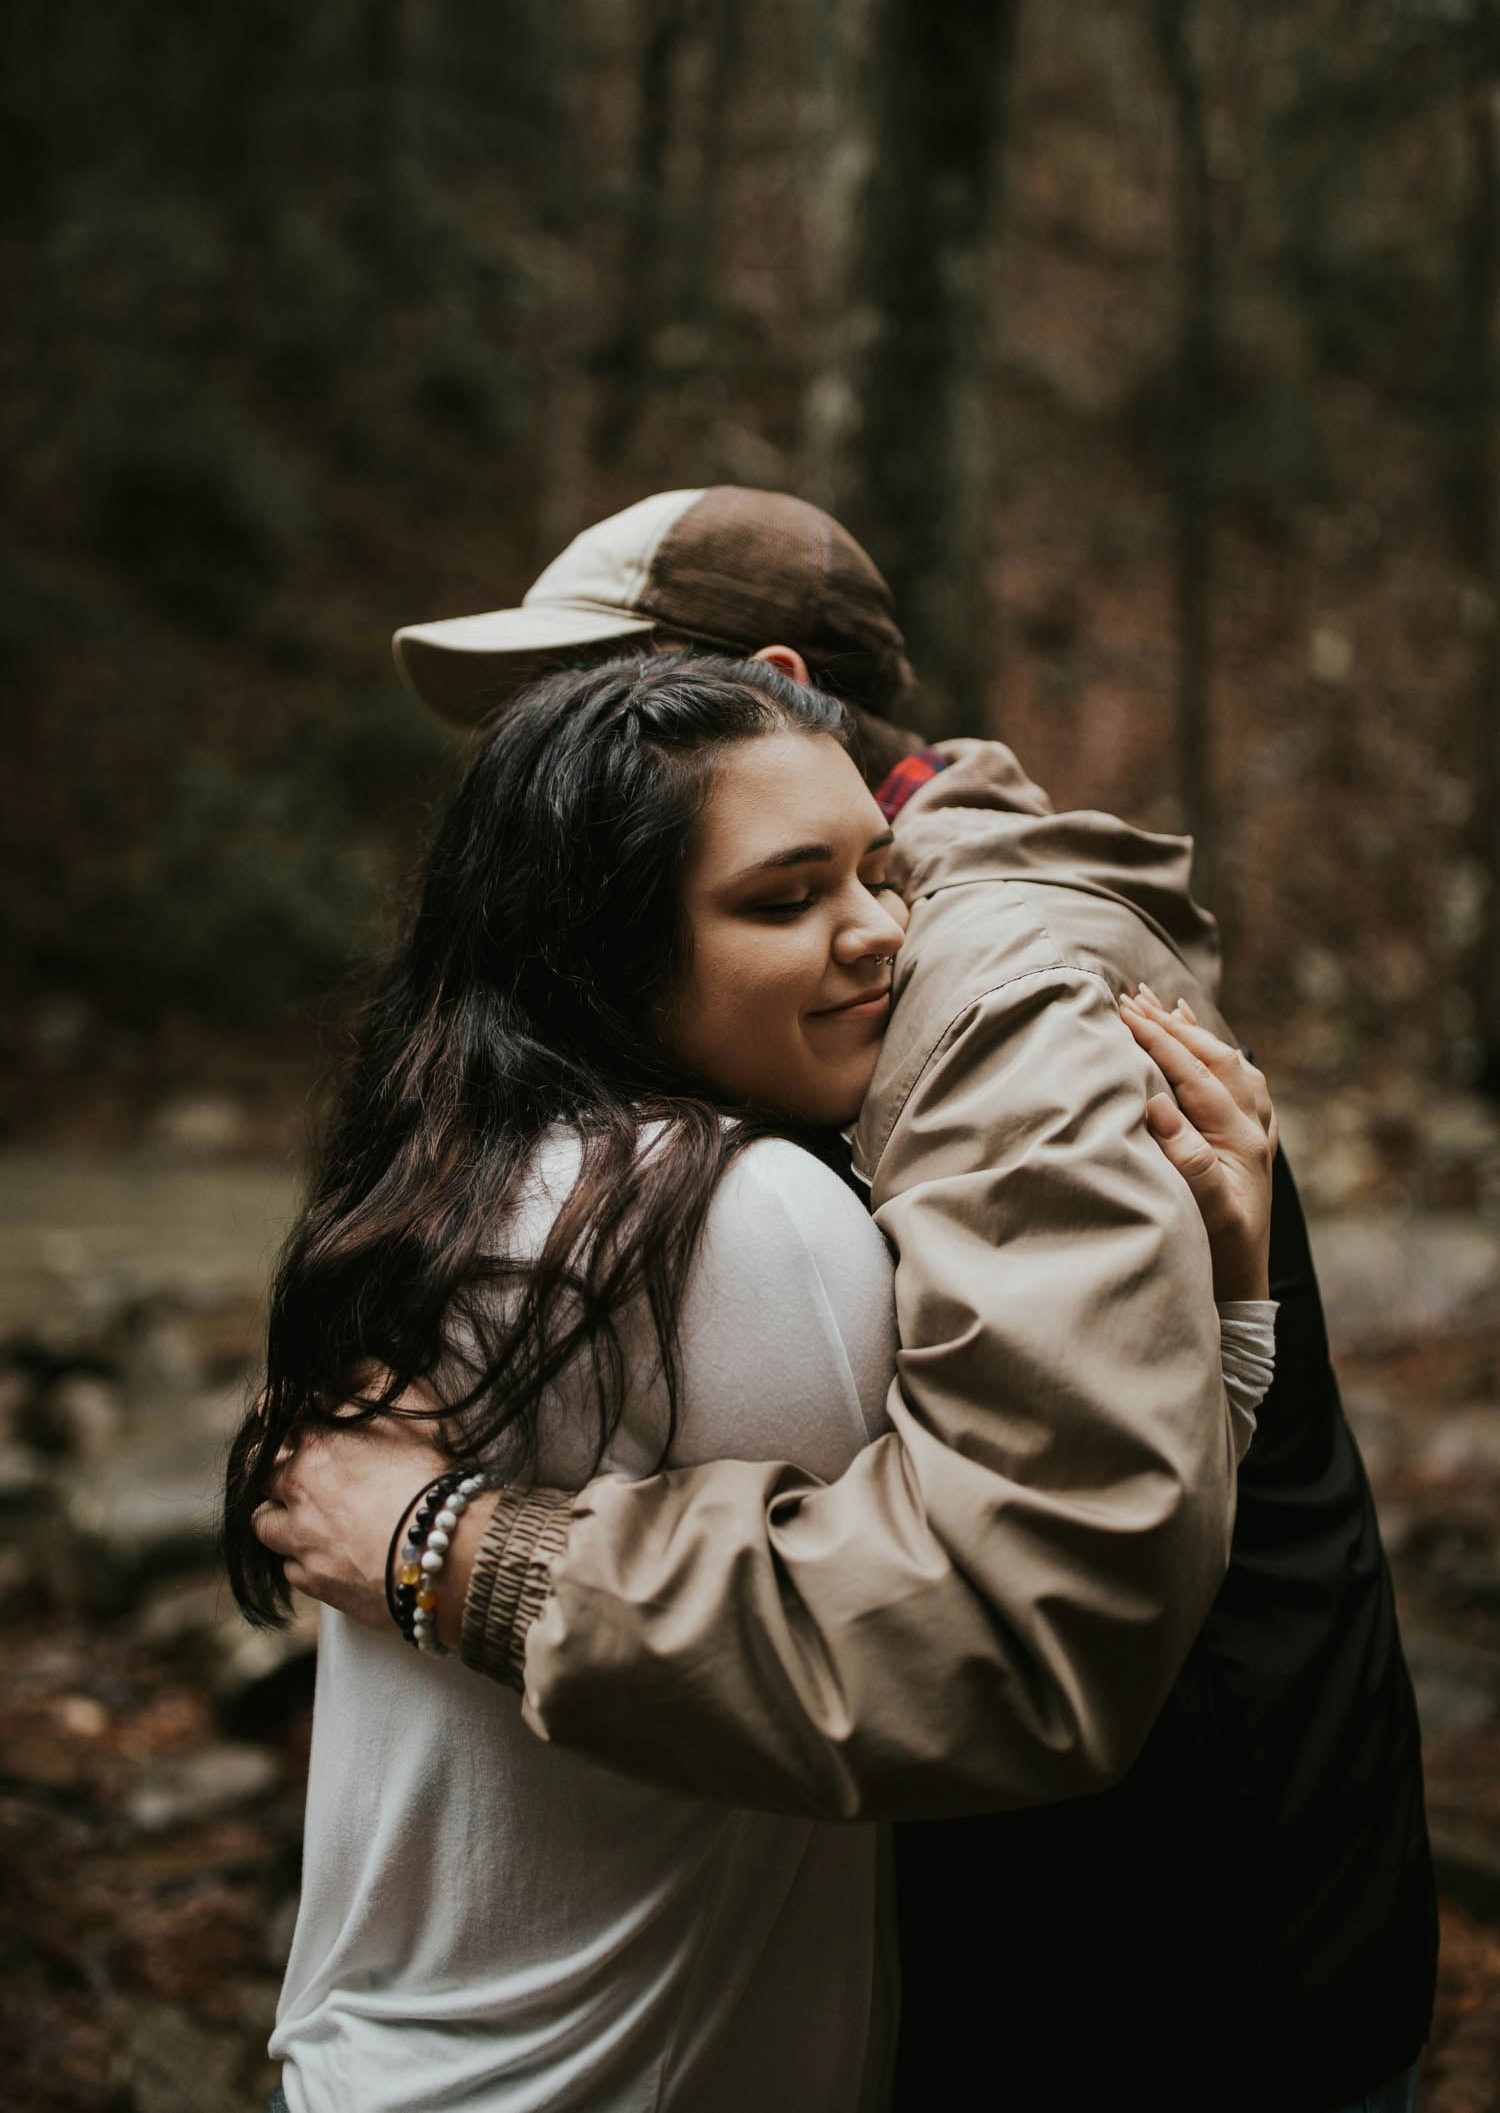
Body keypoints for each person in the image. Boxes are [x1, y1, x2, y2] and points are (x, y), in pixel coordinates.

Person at [261, 488, 1436, 2113]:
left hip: (1158, 1978)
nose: (537, 756)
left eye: (588, 692)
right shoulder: (819, 998)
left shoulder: (990, 995)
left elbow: (1027, 1597)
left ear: (767, 690)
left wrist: (446, 1545)